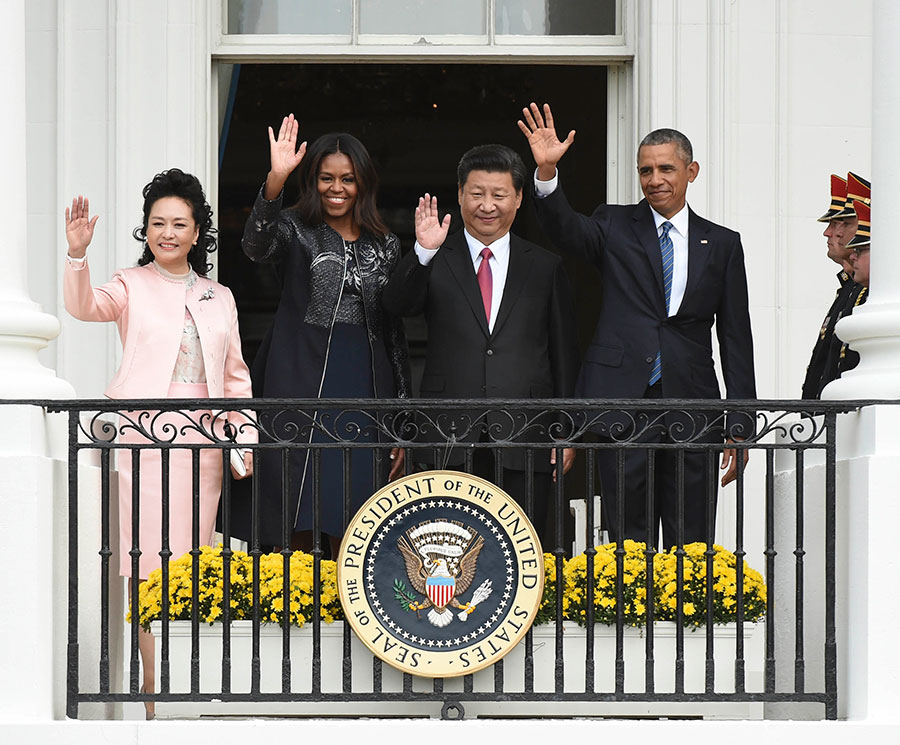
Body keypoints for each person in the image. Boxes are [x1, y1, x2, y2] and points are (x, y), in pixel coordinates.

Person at [518, 102, 756, 548]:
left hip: (693, 401)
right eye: (645, 170)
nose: (654, 180)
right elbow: (567, 231)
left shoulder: (722, 243)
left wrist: (740, 423)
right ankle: (632, 615)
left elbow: (735, 337)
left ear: (692, 171)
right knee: (628, 532)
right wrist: (547, 175)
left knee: (693, 534)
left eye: (666, 168)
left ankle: (689, 616)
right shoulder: (613, 223)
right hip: (624, 397)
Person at [63, 168, 255, 718]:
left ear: (198, 232)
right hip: (142, 440)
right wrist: (78, 255)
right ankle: (152, 700)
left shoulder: (220, 296)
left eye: (179, 224)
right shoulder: (129, 283)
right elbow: (84, 308)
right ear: (145, 230)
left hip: (204, 446)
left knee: (189, 565)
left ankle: (184, 694)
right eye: (157, 224)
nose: (167, 233)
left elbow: (236, 377)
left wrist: (241, 441)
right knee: (145, 565)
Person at [382, 143, 579, 539]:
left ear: (519, 198)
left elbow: (563, 353)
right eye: (477, 194)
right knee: (447, 548)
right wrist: (422, 251)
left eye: (499, 195)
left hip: (525, 431)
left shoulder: (544, 266)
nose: (487, 205)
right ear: (459, 194)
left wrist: (567, 429)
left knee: (521, 549)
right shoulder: (437, 256)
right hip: (448, 432)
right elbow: (395, 306)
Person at [241, 114, 410, 555]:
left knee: (357, 502)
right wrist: (275, 179)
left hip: (363, 381)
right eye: (326, 178)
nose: (337, 188)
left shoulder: (386, 244)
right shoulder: (296, 229)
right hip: (299, 374)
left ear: (363, 184)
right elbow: (255, 246)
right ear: (312, 180)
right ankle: (297, 605)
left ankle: (348, 607)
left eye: (348, 179)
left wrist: (401, 422)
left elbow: (393, 330)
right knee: (297, 496)